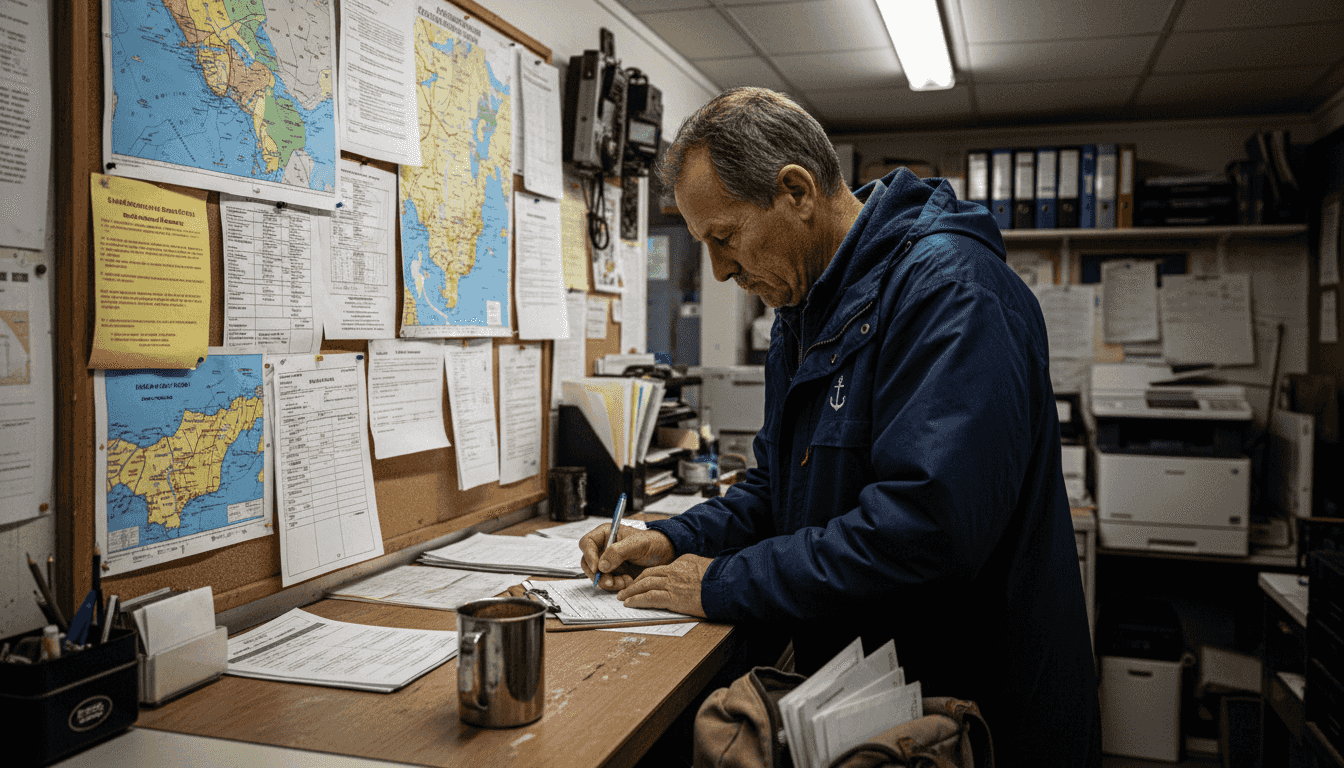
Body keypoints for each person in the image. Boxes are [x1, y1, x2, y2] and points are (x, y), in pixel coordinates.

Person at [579, 87, 1100, 767]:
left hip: (974, 718)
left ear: (796, 191)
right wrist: (671, 539)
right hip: (873, 706)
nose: (720, 269)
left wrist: (720, 583)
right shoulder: (803, 312)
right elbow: (775, 494)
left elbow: (923, 534)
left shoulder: (950, 291)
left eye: (724, 238)